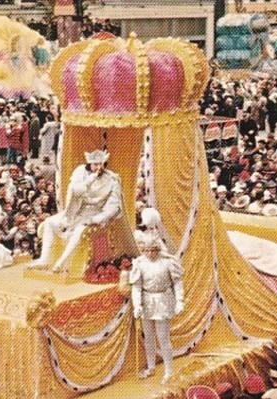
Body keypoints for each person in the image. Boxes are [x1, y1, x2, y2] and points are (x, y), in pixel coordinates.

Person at [28, 149, 123, 272]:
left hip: (94, 214)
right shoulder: (80, 172)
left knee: (79, 230)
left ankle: (62, 263)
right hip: (75, 210)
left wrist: (96, 219)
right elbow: (76, 191)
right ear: (90, 164)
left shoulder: (112, 180)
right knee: (50, 222)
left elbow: (114, 206)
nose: (99, 167)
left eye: (101, 164)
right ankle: (44, 260)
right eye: (95, 164)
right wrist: (91, 179)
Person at [130, 235, 184, 384]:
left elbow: (178, 282)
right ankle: (151, 366)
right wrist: (137, 305)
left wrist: (179, 301)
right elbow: (136, 287)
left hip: (163, 301)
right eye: (147, 250)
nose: (150, 254)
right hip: (147, 301)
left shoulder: (167, 262)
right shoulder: (139, 264)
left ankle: (168, 371)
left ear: (158, 249)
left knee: (163, 338)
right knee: (148, 337)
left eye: (153, 250)